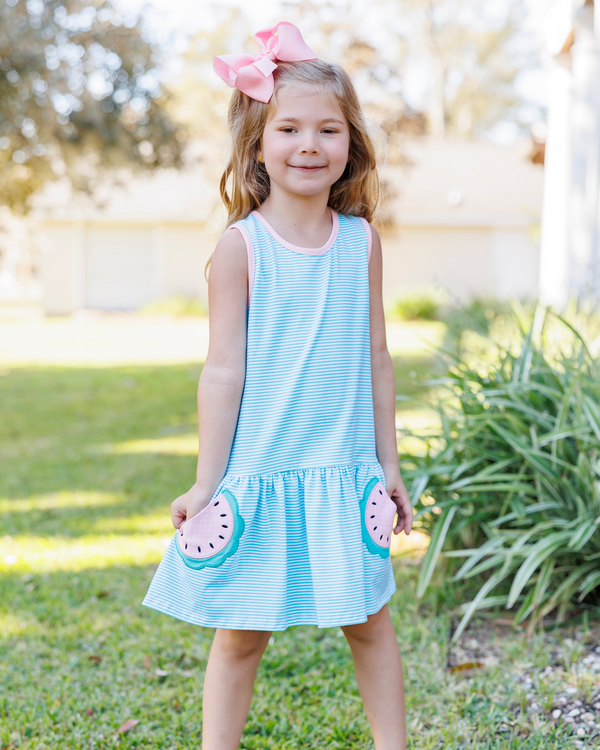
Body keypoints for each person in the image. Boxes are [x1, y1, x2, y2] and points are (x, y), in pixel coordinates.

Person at [142, 20, 414, 750]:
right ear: (258, 142)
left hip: (342, 470)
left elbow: (378, 358)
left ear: (349, 143)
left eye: (328, 129)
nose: (309, 145)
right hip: (262, 472)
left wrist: (388, 468)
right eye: (289, 127)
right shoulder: (241, 248)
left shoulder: (362, 242)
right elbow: (222, 370)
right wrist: (207, 484)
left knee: (369, 622)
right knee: (241, 635)